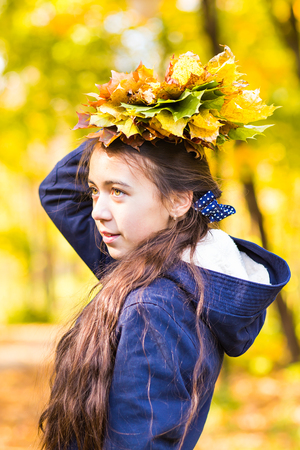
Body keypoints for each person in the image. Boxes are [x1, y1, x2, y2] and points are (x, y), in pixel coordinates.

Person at [38, 48, 290, 450]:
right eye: (94, 191)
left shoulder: (157, 305)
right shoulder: (154, 266)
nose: (98, 212)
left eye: (118, 192)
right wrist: (131, 122)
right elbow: (57, 192)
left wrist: (141, 118)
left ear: (178, 201)